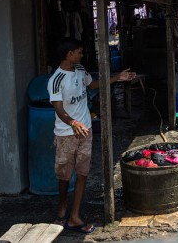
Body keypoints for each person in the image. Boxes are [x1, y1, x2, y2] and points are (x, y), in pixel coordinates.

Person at [47, 38, 135, 234]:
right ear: (68, 54)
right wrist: (73, 122)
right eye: (78, 52)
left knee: (83, 173)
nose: (81, 55)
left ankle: (74, 216)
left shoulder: (79, 70)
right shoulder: (56, 80)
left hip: (85, 131)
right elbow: (59, 109)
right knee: (64, 175)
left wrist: (117, 77)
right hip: (66, 134)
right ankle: (62, 208)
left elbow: (93, 84)